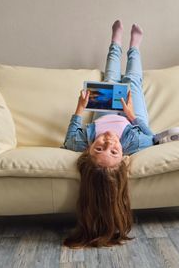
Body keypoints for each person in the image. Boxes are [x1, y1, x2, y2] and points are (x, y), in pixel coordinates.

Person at [62, 20, 154, 248]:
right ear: (123, 157)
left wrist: (80, 109)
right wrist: (131, 115)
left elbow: (68, 138)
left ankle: (115, 42)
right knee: (132, 81)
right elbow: (151, 136)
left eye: (99, 148)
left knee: (110, 79)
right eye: (113, 150)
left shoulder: (82, 141)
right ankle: (134, 47)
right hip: (130, 114)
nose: (107, 140)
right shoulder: (133, 142)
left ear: (88, 150)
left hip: (102, 113)